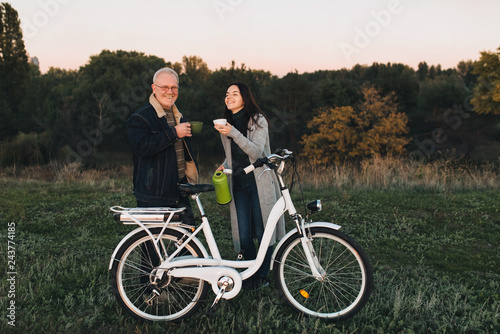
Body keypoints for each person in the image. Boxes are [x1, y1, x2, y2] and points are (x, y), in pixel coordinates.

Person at [214, 82, 285, 290]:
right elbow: (233, 156)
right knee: (243, 234)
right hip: (238, 183)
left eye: (234, 93)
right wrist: (223, 165)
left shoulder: (257, 120)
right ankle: (250, 272)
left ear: (244, 98)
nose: (229, 97)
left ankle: (262, 275)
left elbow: (255, 152)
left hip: (259, 183)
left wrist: (233, 132)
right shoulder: (225, 124)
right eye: (227, 94)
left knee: (264, 231)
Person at [127, 67, 198, 222]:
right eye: (165, 87)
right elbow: (141, 147)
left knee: (187, 237)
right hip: (153, 191)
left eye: (174, 87)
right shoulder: (140, 117)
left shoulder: (179, 115)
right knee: (152, 239)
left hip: (180, 188)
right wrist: (174, 133)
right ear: (154, 88)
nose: (170, 91)